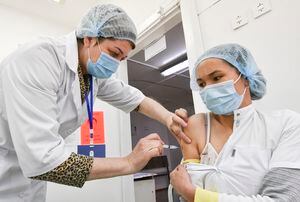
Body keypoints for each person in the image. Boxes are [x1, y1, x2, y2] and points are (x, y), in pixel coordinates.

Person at [0, 4, 191, 202]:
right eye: (114, 53)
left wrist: (168, 118)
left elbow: (135, 98)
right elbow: (43, 161)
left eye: (123, 58)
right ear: (89, 38)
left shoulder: (92, 76)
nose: (116, 63)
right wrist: (129, 163)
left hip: (30, 188)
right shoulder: (38, 59)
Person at [169, 44, 300, 202]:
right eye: (202, 84)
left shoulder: (285, 124)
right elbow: (180, 188)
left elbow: (285, 199)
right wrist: (187, 147)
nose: (208, 89)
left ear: (246, 79)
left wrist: (194, 195)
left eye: (217, 77)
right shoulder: (197, 124)